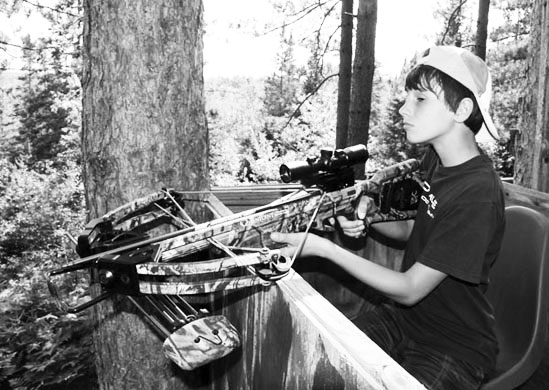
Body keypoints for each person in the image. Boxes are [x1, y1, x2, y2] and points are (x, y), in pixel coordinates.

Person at [271, 45, 505, 390]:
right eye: (407, 97)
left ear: (463, 109)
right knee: (320, 363)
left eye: (420, 99)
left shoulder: (478, 191)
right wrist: (370, 219)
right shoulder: (436, 161)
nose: (403, 108)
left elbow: (410, 288)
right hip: (405, 320)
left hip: (454, 346)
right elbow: (414, 230)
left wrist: (325, 249)